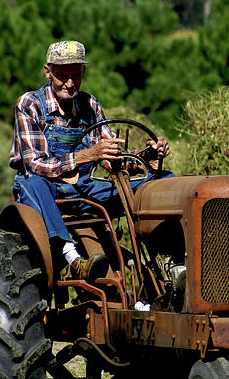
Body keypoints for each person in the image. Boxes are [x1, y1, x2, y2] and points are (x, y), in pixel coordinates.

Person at [9, 40, 171, 277]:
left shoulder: (90, 104)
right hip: (46, 190)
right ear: (48, 71)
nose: (70, 83)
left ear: (83, 72)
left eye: (76, 75)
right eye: (63, 75)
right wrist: (86, 155)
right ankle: (72, 257)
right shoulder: (30, 105)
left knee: (162, 182)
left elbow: (112, 158)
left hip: (84, 190)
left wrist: (147, 155)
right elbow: (35, 164)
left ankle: (169, 259)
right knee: (31, 183)